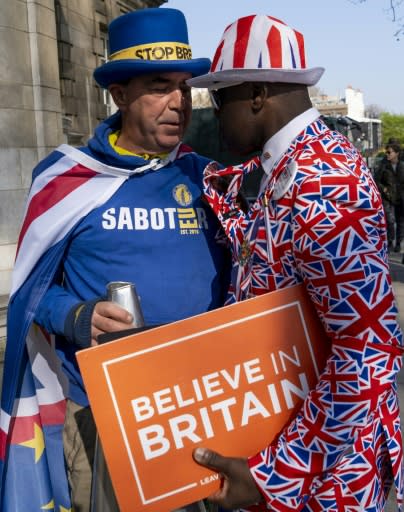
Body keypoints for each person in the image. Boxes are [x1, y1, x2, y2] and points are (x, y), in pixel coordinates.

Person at [0, 8, 230, 511]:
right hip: (103, 417)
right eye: (158, 85)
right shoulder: (66, 181)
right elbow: (30, 292)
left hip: (207, 412)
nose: (178, 103)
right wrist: (77, 317)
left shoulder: (210, 180)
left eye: (185, 87)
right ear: (119, 94)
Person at [187, 13, 404, 511]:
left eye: (221, 98)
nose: (215, 114)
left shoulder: (324, 181)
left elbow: (368, 353)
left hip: (327, 483)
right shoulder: (288, 167)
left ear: (258, 94)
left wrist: (271, 478)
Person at [374, 142, 403, 252]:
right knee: (390, 220)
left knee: (400, 221)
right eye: (386, 152)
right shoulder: (383, 166)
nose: (387, 154)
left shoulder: (402, 166)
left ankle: (399, 243)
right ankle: (390, 241)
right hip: (387, 197)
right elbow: (376, 180)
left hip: (400, 197)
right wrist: (384, 189)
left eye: (389, 152)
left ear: (396, 153)